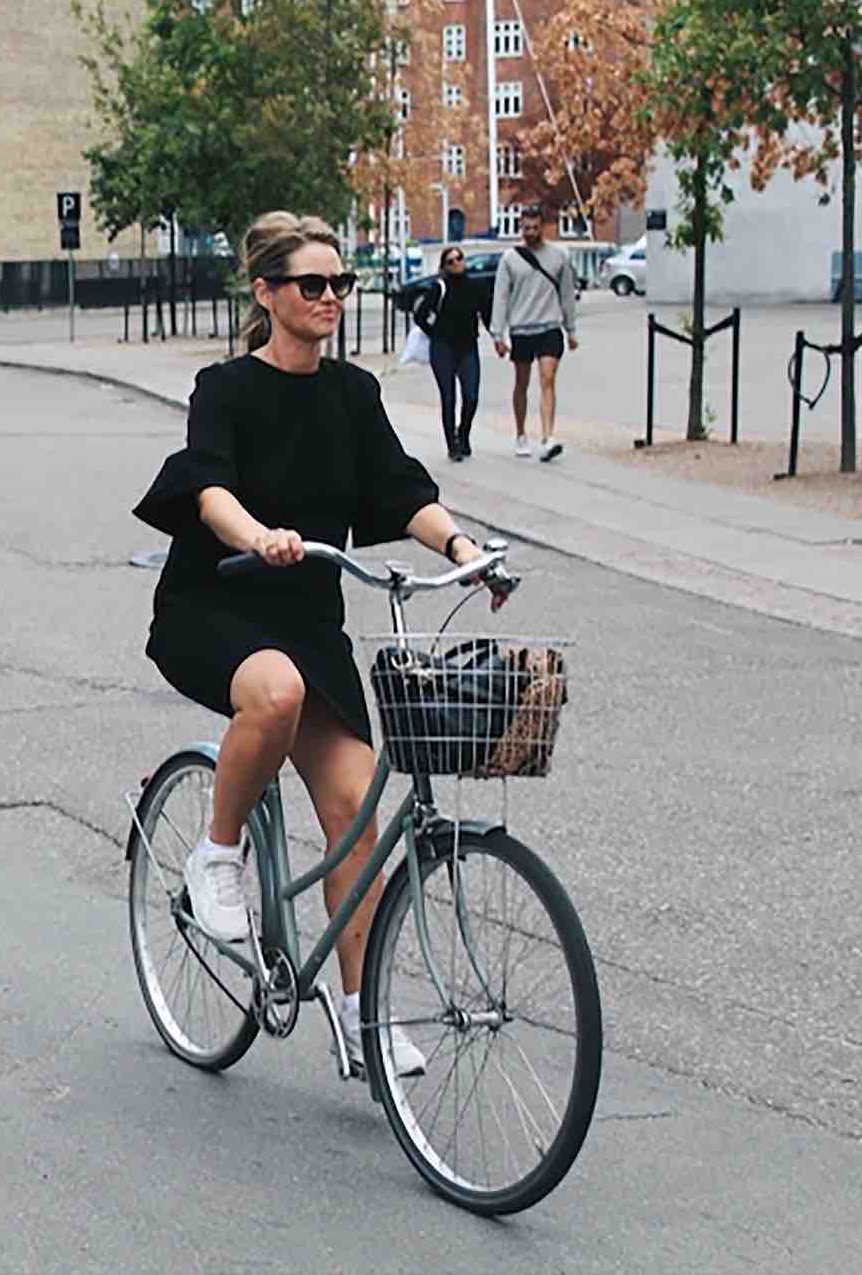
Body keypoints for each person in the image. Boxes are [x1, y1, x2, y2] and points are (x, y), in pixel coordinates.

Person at [132, 212, 507, 1078]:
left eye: (341, 283)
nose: (332, 297)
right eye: (313, 284)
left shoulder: (352, 395)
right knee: (275, 693)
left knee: (357, 821)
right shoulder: (224, 387)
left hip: (308, 622)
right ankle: (216, 857)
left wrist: (461, 549)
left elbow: (399, 486)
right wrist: (257, 534)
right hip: (214, 605)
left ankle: (359, 1018)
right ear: (267, 294)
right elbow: (207, 487)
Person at [490, 206, 579, 462]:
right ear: (521, 228)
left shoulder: (558, 256)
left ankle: (548, 436)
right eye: (526, 228)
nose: (531, 232)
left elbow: (567, 295)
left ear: (543, 227)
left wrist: (571, 330)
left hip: (550, 326)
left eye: (535, 228)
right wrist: (498, 335)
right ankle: (520, 434)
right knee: (522, 383)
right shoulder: (509, 259)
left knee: (548, 379)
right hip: (521, 328)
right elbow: (501, 297)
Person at [411, 247, 491, 462]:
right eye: (451, 261)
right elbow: (419, 315)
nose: (457, 263)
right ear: (444, 266)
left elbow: (487, 314)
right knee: (448, 398)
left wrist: (498, 338)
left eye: (460, 258)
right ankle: (452, 445)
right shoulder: (439, 288)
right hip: (443, 348)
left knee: (471, 396)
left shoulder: (475, 287)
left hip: (468, 347)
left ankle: (463, 433)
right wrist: (433, 333)